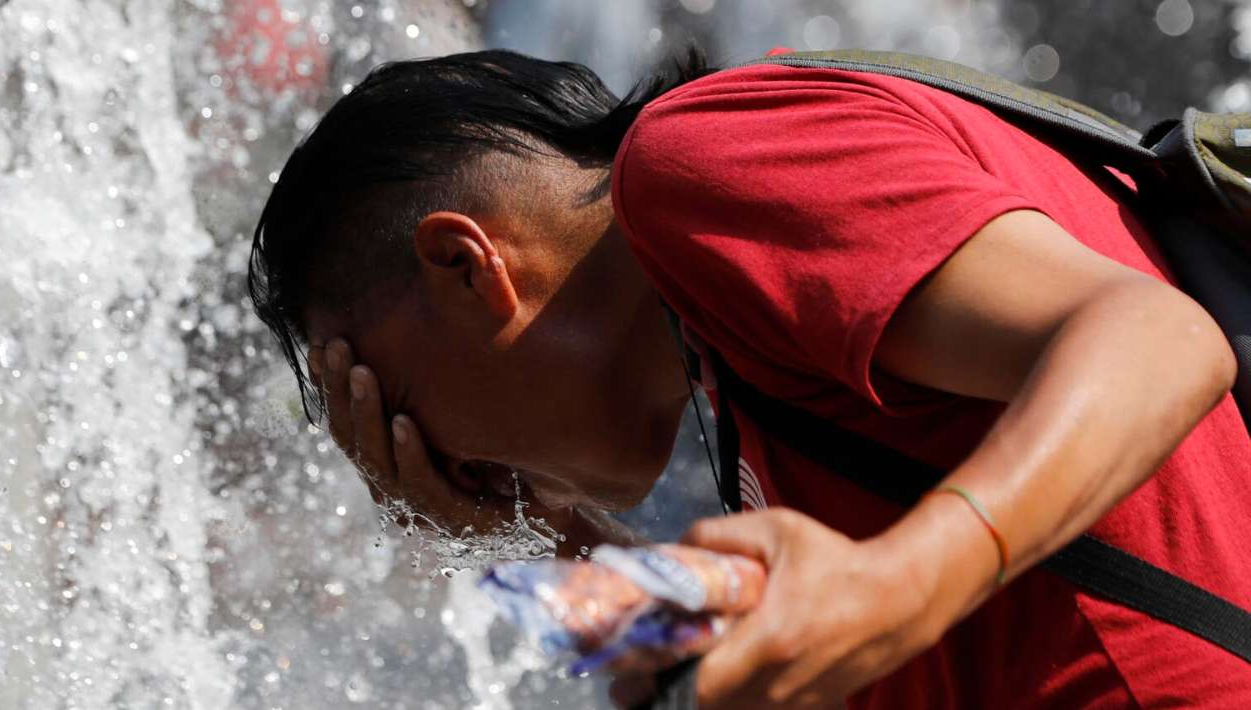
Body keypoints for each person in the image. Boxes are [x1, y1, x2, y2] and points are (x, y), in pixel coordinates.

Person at [247, 46, 1251, 708]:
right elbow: (788, 645)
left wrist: (904, 579)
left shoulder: (700, 159)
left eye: (383, 401)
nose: (417, 456)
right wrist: (541, 533)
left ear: (469, 266)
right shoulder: (753, 357)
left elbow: (1156, 335)